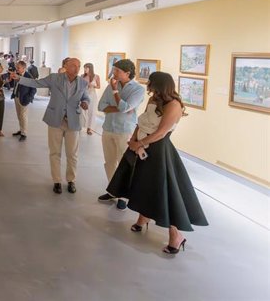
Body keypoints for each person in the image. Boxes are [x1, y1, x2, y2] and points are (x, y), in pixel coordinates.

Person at [106, 72, 208, 255]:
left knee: (163, 191)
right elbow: (142, 122)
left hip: (158, 151)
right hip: (140, 147)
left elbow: (161, 133)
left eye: (152, 84)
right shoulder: (154, 100)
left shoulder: (174, 105)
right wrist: (134, 139)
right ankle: (143, 217)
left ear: (160, 85)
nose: (149, 87)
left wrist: (140, 144)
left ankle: (175, 236)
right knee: (143, 185)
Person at [11, 58, 90, 194]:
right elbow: (36, 83)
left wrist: (86, 102)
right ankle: (57, 181)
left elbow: (85, 97)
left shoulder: (82, 82)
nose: (76, 69)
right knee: (55, 152)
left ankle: (71, 180)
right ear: (65, 66)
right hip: (55, 120)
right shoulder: (54, 78)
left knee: (72, 154)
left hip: (73, 121)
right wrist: (19, 79)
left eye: (78, 66)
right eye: (73, 66)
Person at [96, 59, 145, 209]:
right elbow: (101, 106)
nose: (113, 73)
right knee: (109, 162)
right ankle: (113, 191)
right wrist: (121, 108)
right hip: (108, 128)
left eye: (117, 71)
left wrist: (116, 93)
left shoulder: (138, 89)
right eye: (114, 69)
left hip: (125, 131)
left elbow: (126, 108)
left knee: (124, 164)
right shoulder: (110, 85)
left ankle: (123, 196)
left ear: (127, 73)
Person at [11, 61, 36, 142]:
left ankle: (24, 133)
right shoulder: (17, 74)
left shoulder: (28, 76)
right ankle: (21, 130)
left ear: (24, 68)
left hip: (24, 99)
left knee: (23, 116)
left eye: (18, 67)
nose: (16, 69)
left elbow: (34, 89)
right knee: (19, 116)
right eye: (16, 67)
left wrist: (29, 98)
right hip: (17, 97)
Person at [82, 63, 101, 135]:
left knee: (92, 112)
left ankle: (89, 129)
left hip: (92, 95)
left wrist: (93, 85)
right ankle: (81, 126)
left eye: (86, 68)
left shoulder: (96, 77)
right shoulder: (82, 76)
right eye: (84, 68)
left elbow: (99, 86)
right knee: (83, 112)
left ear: (90, 68)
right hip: (84, 95)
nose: (85, 70)